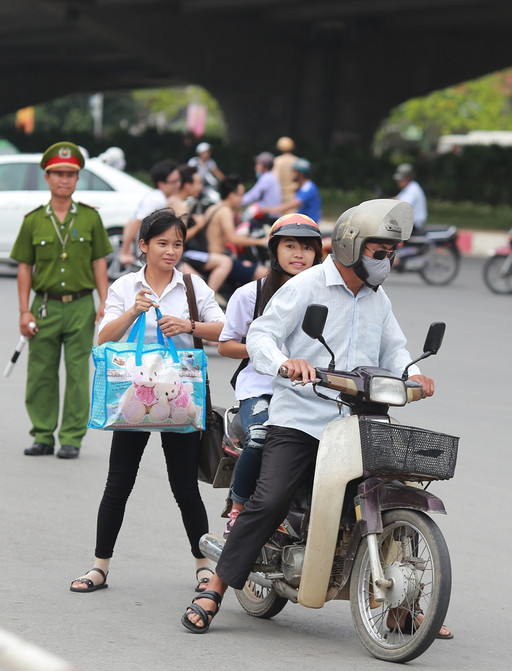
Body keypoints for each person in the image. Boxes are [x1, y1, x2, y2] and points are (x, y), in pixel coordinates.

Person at [181, 199, 449, 640]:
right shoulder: (307, 287)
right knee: (269, 500)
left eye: (390, 254)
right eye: (377, 252)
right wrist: (285, 363)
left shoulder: (377, 300)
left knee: (388, 493)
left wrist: (414, 375)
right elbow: (263, 334)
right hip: (303, 418)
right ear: (350, 247)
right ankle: (215, 587)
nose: (385, 262)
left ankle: (404, 608)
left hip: (360, 420)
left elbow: (395, 350)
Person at [70, 209, 226, 593]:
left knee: (185, 486)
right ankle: (99, 567)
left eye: (177, 244)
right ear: (143, 246)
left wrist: (188, 325)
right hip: (134, 396)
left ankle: (203, 566)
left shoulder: (192, 286)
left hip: (180, 397)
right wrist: (133, 312)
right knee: (118, 482)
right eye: (162, 244)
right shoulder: (125, 286)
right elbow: (104, 339)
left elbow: (224, 330)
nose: (170, 251)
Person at [217, 213, 324, 533]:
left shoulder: (327, 295)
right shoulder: (250, 294)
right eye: (289, 246)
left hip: (311, 389)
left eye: (307, 248)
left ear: (318, 254)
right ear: (274, 251)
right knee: (262, 435)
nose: (298, 254)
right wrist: (270, 354)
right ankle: (238, 509)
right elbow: (225, 346)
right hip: (261, 388)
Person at [10, 141, 111, 459]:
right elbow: (25, 266)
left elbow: (99, 262)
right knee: (41, 371)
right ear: (47, 177)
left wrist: (105, 301)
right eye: (58, 174)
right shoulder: (33, 220)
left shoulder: (91, 218)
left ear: (77, 178)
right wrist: (24, 310)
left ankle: (71, 438)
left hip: (81, 304)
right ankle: (42, 434)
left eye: (70, 174)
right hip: (45, 306)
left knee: (78, 373)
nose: (64, 179)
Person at [173, 166, 235, 296]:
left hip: (180, 253)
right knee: (222, 264)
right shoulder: (181, 205)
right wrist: (199, 226)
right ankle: (208, 301)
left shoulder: (179, 201)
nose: (201, 187)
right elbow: (179, 238)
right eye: (198, 183)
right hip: (180, 255)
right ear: (187, 185)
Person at [202, 176, 269, 284]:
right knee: (265, 273)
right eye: (241, 195)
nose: (242, 199)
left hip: (211, 256)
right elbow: (233, 239)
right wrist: (260, 241)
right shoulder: (225, 211)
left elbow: (218, 235)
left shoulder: (212, 208)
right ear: (232, 195)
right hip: (220, 258)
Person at [119, 159, 181, 265]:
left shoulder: (156, 196)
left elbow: (131, 220)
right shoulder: (157, 200)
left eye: (179, 180)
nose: (178, 185)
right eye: (174, 182)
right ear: (161, 184)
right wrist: (125, 251)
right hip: (148, 252)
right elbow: (137, 221)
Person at [263, 158, 321, 224]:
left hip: (308, 225)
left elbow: (293, 204)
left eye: (294, 171)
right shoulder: (303, 187)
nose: (291, 174)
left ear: (301, 174)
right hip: (302, 223)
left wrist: (270, 210)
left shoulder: (308, 187)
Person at [240, 151, 282, 218]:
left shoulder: (266, 178)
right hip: (271, 215)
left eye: (258, 164)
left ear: (265, 166)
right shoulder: (270, 176)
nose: (256, 167)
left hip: (268, 217)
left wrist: (238, 201)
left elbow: (253, 195)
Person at [393, 163, 427, 233]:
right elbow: (396, 198)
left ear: (408, 178)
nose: (398, 182)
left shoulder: (413, 189)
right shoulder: (407, 188)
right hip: (410, 225)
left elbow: (401, 204)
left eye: (401, 180)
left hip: (414, 226)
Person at [273, 136, 298, 203]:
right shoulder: (296, 160)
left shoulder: (277, 161)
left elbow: (275, 178)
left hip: (281, 194)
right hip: (295, 194)